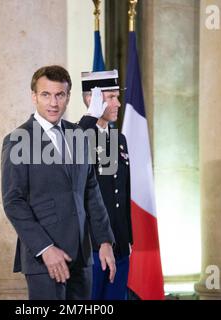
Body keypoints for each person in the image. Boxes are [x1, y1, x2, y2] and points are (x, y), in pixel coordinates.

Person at [1, 65, 116, 300]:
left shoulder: (79, 135)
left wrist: (104, 240)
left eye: (59, 95)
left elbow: (91, 190)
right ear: (34, 96)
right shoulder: (17, 140)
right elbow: (13, 201)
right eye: (46, 95)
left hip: (81, 256)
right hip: (44, 259)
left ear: (68, 97)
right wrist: (45, 248)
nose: (53, 103)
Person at [78, 70, 133, 300]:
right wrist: (90, 119)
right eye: (111, 97)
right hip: (92, 246)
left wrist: (128, 238)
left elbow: (122, 191)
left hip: (119, 243)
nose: (118, 103)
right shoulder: (76, 135)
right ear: (92, 99)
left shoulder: (118, 139)